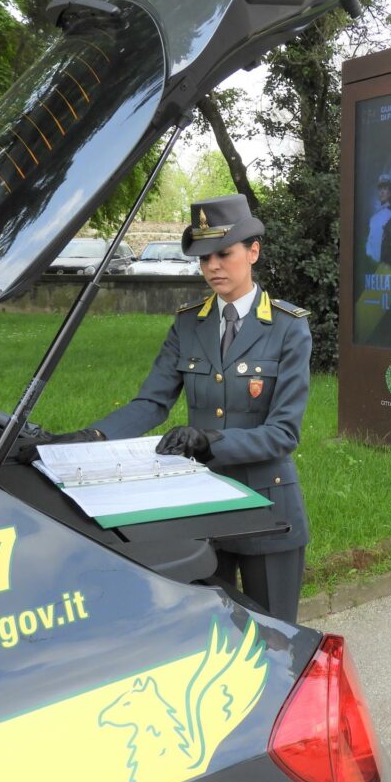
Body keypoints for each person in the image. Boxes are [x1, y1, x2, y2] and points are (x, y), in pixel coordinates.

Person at [39, 194, 312, 623]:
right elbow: (151, 402)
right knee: (212, 636)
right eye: (204, 258)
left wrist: (210, 440)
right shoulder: (189, 324)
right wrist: (92, 438)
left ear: (253, 251)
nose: (213, 267)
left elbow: (283, 433)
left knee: (275, 638)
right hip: (201, 510)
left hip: (268, 509)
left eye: (224, 254)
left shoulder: (287, 327)